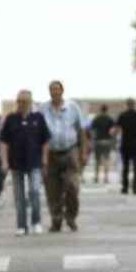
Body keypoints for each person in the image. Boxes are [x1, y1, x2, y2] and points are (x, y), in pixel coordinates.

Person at [1, 90, 50, 236]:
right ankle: (21, 225)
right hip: (16, 163)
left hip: (34, 162)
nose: (22, 104)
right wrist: (4, 162)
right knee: (19, 196)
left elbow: (45, 140)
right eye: (20, 101)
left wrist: (45, 160)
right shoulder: (11, 118)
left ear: (30, 102)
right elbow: (4, 142)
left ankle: (36, 222)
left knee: (34, 192)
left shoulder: (38, 118)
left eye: (25, 101)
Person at [40, 80, 87, 232]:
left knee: (72, 186)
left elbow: (81, 131)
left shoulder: (72, 107)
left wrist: (83, 152)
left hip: (70, 152)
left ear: (62, 91)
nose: (54, 92)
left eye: (57, 89)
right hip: (51, 153)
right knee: (52, 190)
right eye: (51, 90)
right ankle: (56, 220)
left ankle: (71, 217)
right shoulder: (43, 109)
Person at [114, 98, 136, 195]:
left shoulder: (122, 115)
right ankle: (135, 188)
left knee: (126, 166)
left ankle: (125, 187)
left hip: (125, 144)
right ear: (134, 105)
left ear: (127, 105)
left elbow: (117, 128)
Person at [90, 104, 115, 184]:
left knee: (97, 160)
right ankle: (106, 178)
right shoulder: (110, 119)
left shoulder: (97, 118)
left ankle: (97, 177)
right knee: (106, 159)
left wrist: (93, 138)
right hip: (107, 140)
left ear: (101, 110)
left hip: (98, 140)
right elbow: (113, 129)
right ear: (107, 110)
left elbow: (92, 129)